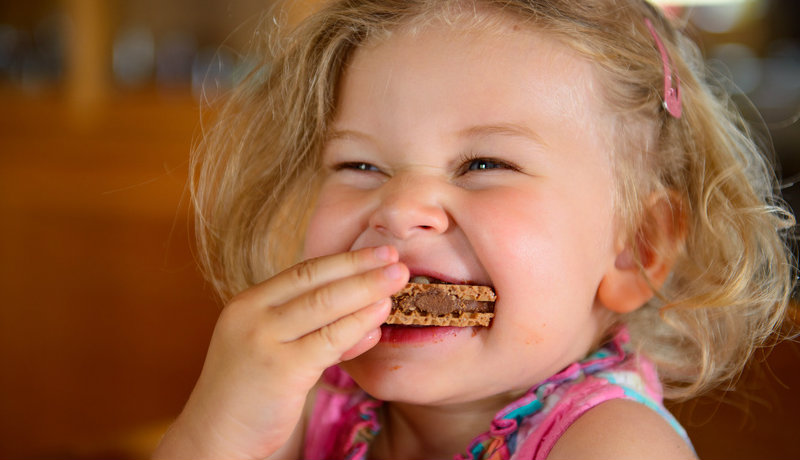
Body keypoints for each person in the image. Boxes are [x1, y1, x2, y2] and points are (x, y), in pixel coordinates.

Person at [153, 0, 795, 458]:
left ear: (636, 248)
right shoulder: (307, 404)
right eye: (359, 164)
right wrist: (217, 435)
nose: (400, 208)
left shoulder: (610, 445)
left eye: (484, 164)